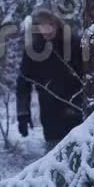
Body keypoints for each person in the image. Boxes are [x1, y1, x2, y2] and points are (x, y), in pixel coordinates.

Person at [16, 8, 84, 151]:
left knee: (79, 154)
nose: (46, 29)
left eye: (50, 25)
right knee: (54, 156)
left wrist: (77, 105)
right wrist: (23, 114)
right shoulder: (33, 50)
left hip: (76, 112)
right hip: (50, 114)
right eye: (42, 26)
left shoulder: (74, 44)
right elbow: (23, 84)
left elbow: (86, 77)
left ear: (57, 24)